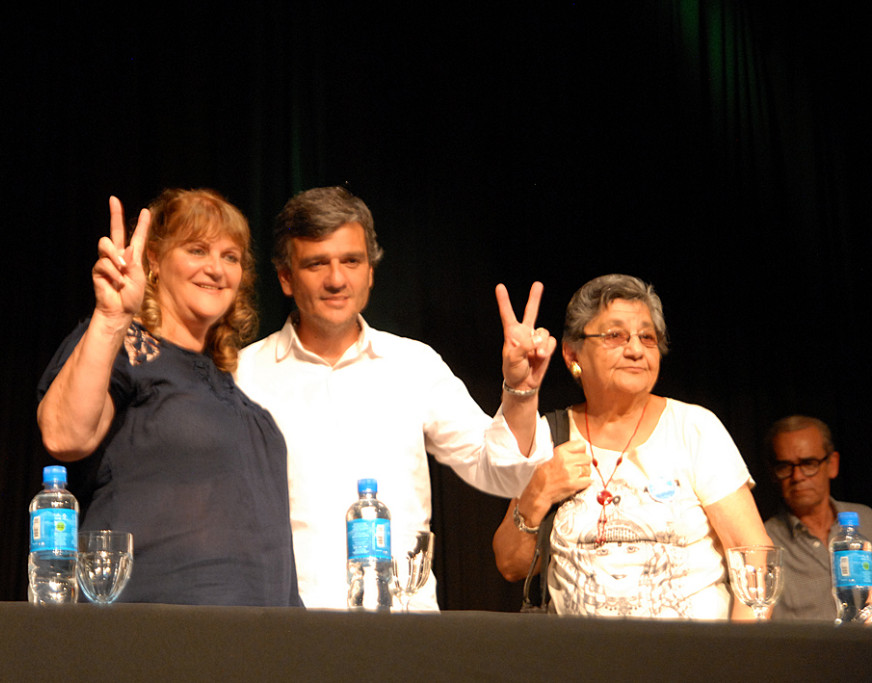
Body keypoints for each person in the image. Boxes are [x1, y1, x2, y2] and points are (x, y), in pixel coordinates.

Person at [235, 186, 554, 611]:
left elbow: (503, 473)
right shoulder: (243, 373)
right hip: (287, 627)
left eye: (351, 261)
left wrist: (521, 391)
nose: (336, 279)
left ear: (370, 271)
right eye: (316, 264)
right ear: (286, 278)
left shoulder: (413, 364)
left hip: (402, 629)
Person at [37, 189, 302, 606]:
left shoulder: (235, 394)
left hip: (259, 644)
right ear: (155, 261)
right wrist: (110, 321)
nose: (216, 268)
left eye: (230, 256)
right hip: (153, 637)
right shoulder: (127, 347)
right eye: (197, 250)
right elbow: (64, 435)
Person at [492, 273, 771, 619]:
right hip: (579, 665)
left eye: (647, 337)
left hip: (693, 664)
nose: (636, 349)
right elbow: (510, 565)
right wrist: (536, 494)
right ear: (571, 353)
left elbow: (754, 555)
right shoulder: (550, 435)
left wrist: (739, 663)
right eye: (615, 336)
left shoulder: (693, 428)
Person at [763, 415, 872, 621]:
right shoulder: (765, 542)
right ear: (772, 474)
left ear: (832, 464)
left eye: (808, 463)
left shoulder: (868, 521)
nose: (797, 476)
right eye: (785, 467)